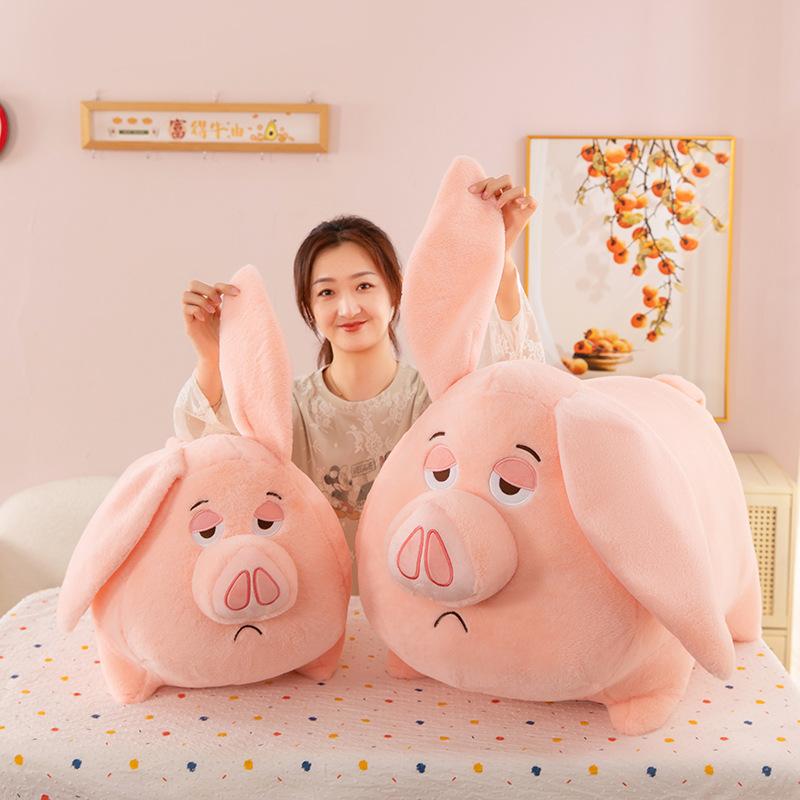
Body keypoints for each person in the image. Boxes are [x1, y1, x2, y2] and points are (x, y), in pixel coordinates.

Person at [173, 174, 546, 593]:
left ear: (395, 292)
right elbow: (209, 460)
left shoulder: (436, 401)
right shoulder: (285, 410)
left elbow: (518, 401)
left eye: (364, 286)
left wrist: (500, 259)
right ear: (308, 308)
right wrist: (211, 355)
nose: (348, 307)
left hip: (423, 607)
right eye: (326, 293)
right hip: (312, 609)